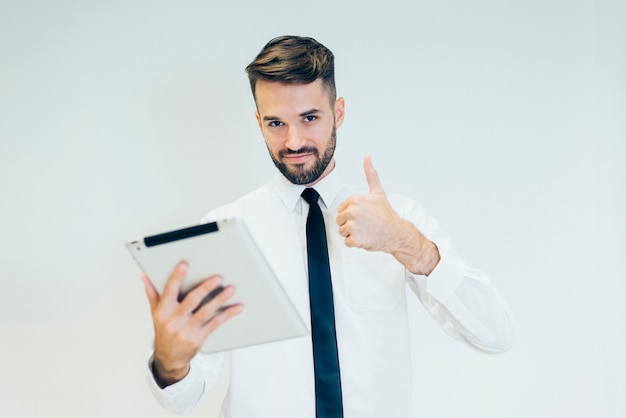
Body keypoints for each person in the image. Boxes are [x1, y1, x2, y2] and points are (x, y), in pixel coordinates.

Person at [141, 35, 515, 417]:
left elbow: (495, 335)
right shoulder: (224, 231)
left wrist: (407, 243)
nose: (294, 140)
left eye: (309, 117)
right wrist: (171, 362)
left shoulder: (398, 218)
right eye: (275, 123)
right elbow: (185, 397)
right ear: (258, 122)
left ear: (338, 112)